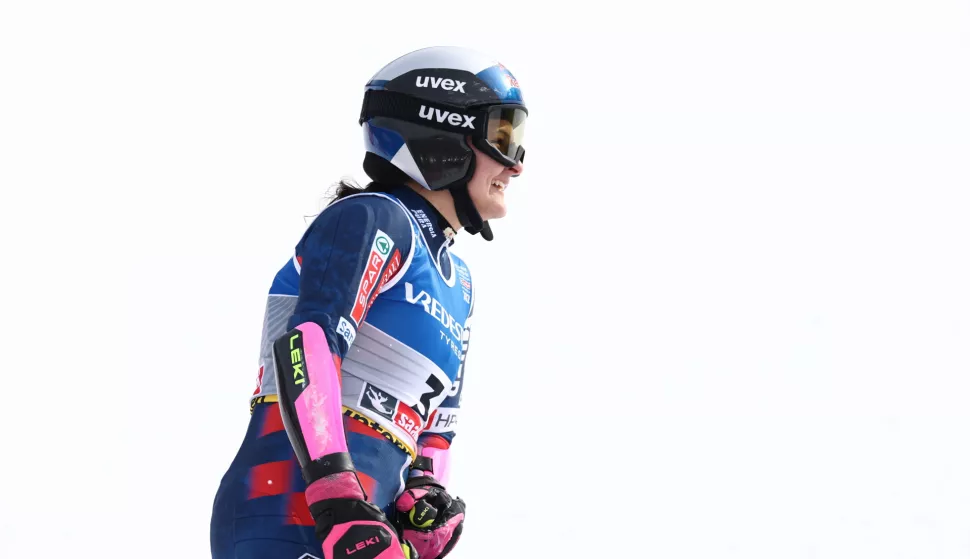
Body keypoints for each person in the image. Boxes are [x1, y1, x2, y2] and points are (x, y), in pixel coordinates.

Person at [210, 45, 528, 559]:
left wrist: (425, 490)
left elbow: (438, 425)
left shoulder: (460, 283)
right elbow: (307, 345)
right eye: (503, 137)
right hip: (294, 504)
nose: (515, 166)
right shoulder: (375, 218)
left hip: (364, 516)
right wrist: (336, 496)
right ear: (445, 136)